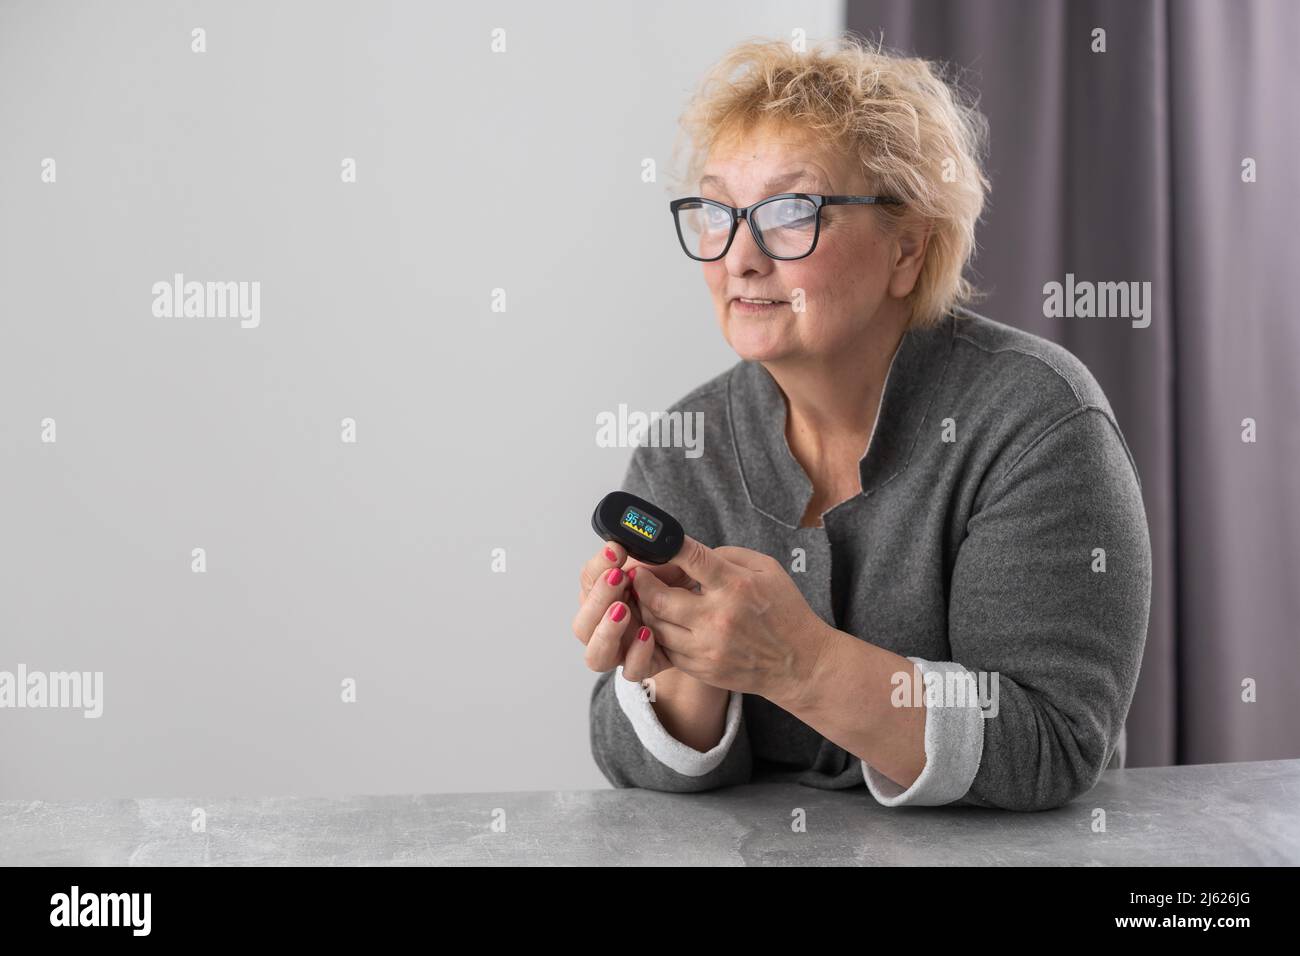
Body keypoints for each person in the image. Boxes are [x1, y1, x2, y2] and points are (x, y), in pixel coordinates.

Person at [573, 36, 1151, 811]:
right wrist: (689, 662)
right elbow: (625, 758)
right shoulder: (685, 448)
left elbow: (1051, 744)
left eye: (788, 212)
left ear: (906, 249)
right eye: (716, 211)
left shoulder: (1036, 421)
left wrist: (799, 664)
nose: (739, 258)